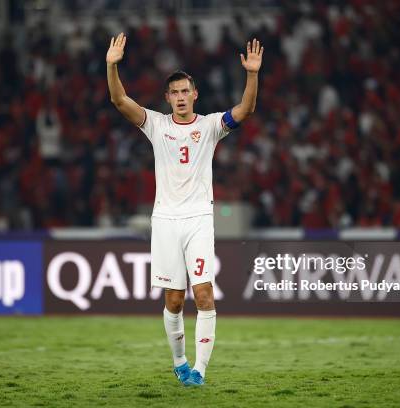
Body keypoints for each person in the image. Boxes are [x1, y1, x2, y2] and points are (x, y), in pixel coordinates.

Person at [106, 32, 263, 386]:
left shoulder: (209, 126)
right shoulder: (156, 125)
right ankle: (179, 362)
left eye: (184, 91)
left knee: (203, 292)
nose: (179, 98)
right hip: (164, 221)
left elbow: (246, 110)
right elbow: (119, 100)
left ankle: (200, 372)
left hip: (198, 220)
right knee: (174, 300)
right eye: (173, 93)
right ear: (167, 98)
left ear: (195, 95)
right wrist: (111, 65)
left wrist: (251, 74)